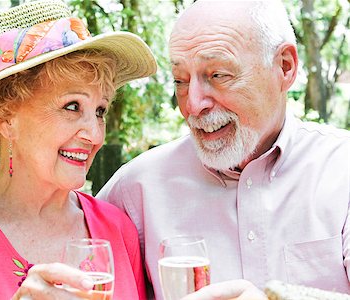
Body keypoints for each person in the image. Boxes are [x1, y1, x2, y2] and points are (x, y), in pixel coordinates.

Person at [97, 0, 350, 299]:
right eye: (180, 80)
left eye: (218, 75)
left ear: (285, 67)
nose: (192, 105)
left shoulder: (341, 170)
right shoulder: (135, 190)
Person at [0, 0, 156, 299]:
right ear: (5, 117)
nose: (95, 134)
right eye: (72, 106)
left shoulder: (117, 228)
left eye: (100, 111)